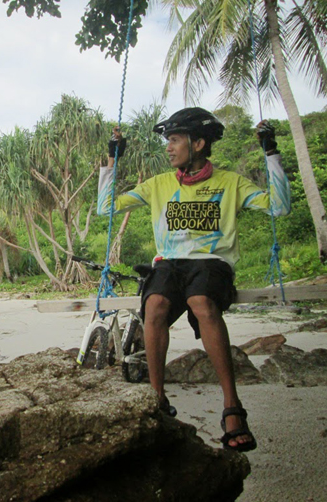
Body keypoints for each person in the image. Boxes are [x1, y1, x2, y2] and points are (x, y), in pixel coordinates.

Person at [97, 108, 291, 452]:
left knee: (201, 301)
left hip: (212, 263)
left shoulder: (230, 182)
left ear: (198, 142)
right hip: (170, 264)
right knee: (154, 305)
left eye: (174, 140)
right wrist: (112, 160)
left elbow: (278, 207)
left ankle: (233, 408)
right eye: (167, 141)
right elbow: (107, 208)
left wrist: (271, 153)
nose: (168, 148)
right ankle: (157, 398)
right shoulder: (158, 184)